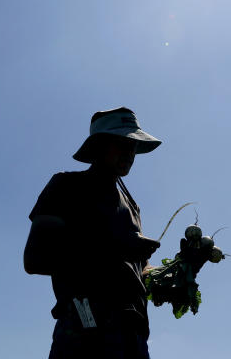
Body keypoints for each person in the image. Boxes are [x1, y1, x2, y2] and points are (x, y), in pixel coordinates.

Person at [24, 107, 163, 359]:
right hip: (84, 328)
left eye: (133, 145)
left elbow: (136, 270)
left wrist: (173, 273)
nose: (129, 153)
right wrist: (118, 248)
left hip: (134, 334)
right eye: (121, 143)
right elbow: (36, 257)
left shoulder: (132, 206)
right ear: (98, 146)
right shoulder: (66, 186)